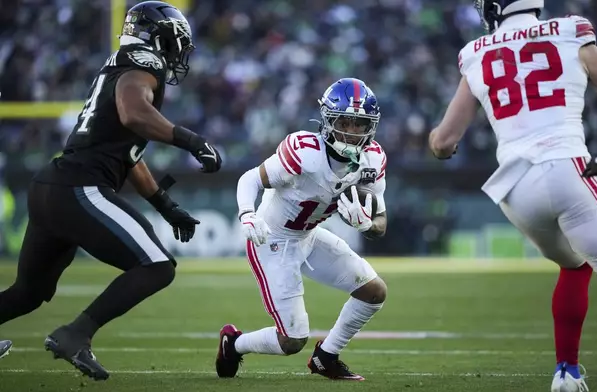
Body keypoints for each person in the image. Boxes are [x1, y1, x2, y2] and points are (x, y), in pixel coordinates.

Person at [428, 1, 597, 391]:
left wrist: (436, 141)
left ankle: (567, 372)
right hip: (568, 167)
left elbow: (443, 143)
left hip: (515, 189)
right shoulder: (570, 30)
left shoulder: (474, 53)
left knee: (576, 266)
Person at [0, 1, 221, 381]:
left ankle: (75, 333)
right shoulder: (143, 62)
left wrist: (165, 206)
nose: (178, 52)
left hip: (51, 187)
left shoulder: (119, 62)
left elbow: (129, 156)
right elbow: (133, 114)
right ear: (159, 37)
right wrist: (191, 140)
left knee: (29, 292)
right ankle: (76, 334)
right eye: (175, 42)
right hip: (79, 188)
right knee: (157, 266)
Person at [216, 78, 388, 381]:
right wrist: (247, 214)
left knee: (374, 292)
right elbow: (250, 179)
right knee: (292, 341)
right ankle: (234, 343)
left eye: (361, 124)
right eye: (345, 122)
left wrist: (366, 224)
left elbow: (380, 224)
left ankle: (327, 356)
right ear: (328, 119)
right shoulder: (304, 151)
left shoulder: (372, 158)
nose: (353, 131)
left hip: (308, 236)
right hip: (272, 240)